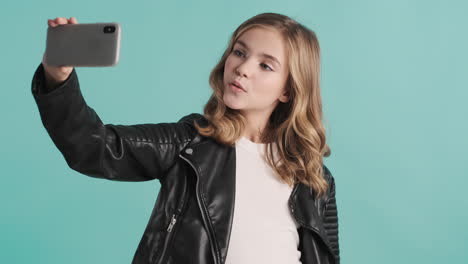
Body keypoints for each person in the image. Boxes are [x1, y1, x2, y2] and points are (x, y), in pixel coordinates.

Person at [32, 12, 340, 264]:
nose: (243, 68)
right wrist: (57, 78)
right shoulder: (190, 143)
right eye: (239, 51)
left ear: (288, 89)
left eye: (265, 65)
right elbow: (93, 147)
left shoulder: (314, 178)